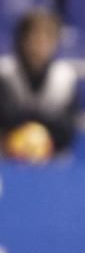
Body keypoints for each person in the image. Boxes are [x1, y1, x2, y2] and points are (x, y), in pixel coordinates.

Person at [0, 9, 79, 162]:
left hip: (53, 157)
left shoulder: (65, 76)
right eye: (35, 36)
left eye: (48, 37)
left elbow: (67, 129)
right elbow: (4, 117)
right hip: (7, 156)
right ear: (22, 39)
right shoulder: (5, 73)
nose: (40, 43)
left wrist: (39, 134)